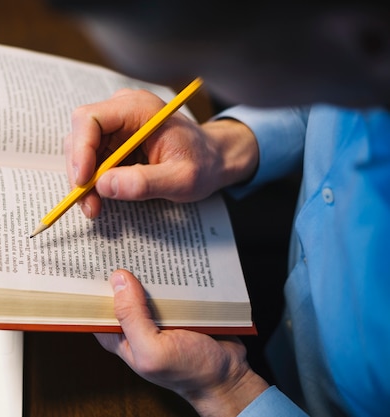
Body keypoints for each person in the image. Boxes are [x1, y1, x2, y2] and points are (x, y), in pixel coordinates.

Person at [49, 1, 390, 416]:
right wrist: (222, 148)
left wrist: (229, 390)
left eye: (204, 66)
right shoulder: (351, 44)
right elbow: (327, 85)